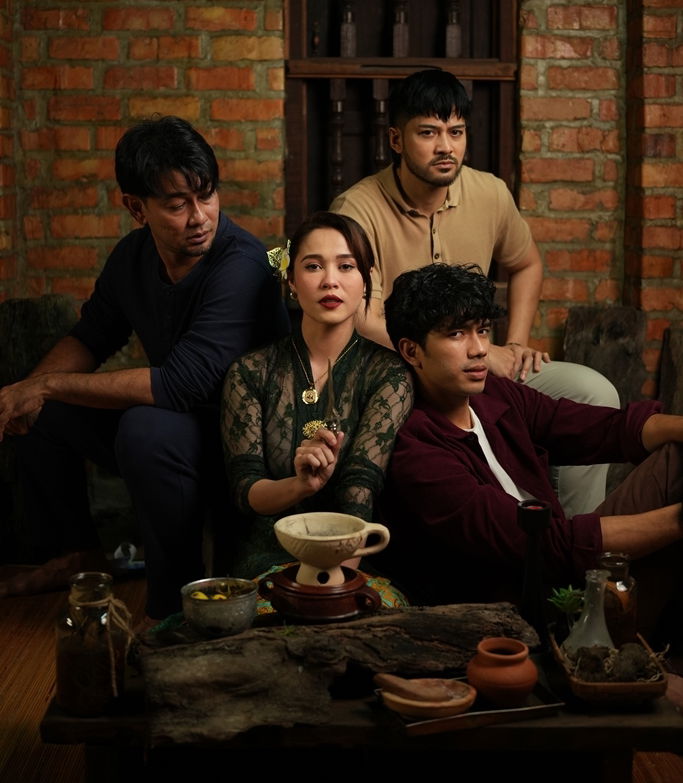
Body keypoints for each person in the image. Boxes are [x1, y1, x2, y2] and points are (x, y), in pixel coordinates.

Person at [0, 116, 289, 621]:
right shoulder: (131, 258)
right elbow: (89, 337)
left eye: (207, 196)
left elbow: (180, 384)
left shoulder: (242, 263)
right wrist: (26, 391)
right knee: (44, 411)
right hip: (176, 424)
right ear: (136, 208)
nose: (200, 217)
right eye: (177, 205)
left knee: (144, 427)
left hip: (243, 442)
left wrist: (46, 384)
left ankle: (173, 603)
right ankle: (75, 555)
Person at [330, 68, 619, 517]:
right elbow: (362, 319)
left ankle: (573, 537)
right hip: (401, 371)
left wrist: (514, 345)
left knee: (593, 392)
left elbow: (526, 263)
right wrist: (455, 353)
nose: (446, 146)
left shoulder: (489, 192)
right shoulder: (357, 209)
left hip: (479, 362)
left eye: (456, 131)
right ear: (396, 139)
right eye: (428, 132)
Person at [380, 263, 683, 641]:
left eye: (482, 330)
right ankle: (624, 652)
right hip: (532, 612)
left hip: (566, 570)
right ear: (412, 351)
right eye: (456, 334)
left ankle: (645, 648)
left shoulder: (493, 394)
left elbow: (604, 428)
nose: (479, 349)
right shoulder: (416, 451)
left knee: (676, 458)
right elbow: (543, 543)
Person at [221, 211, 413, 590]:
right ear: (291, 281)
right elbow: (246, 491)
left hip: (356, 558)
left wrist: (332, 586)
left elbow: (359, 489)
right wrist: (300, 486)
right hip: (269, 554)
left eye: (346, 266)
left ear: (366, 280)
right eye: (313, 266)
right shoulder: (250, 371)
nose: (330, 281)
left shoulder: (388, 375)